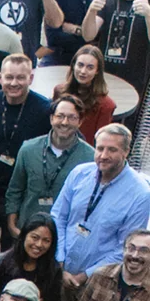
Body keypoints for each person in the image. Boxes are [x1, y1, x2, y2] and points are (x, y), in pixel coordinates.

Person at [53, 126, 150, 301]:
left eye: (112, 150)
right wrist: (59, 261)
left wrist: (83, 276)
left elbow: (125, 247)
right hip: (58, 271)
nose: (103, 156)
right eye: (100, 148)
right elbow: (58, 216)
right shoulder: (79, 173)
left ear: (126, 151)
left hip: (97, 283)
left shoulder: (140, 193)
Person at [6, 95, 93, 236]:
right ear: (52, 118)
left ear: (80, 122)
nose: (65, 122)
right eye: (60, 116)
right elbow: (15, 190)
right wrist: (12, 226)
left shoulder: (89, 158)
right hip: (26, 232)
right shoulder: (28, 149)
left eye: (72, 117)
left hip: (62, 236)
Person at [82, 0, 150, 115]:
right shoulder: (107, 0)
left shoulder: (148, 1)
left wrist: (148, 15)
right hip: (105, 79)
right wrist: (91, 10)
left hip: (137, 81)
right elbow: (88, 35)